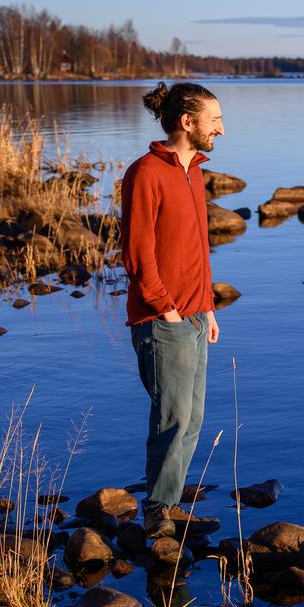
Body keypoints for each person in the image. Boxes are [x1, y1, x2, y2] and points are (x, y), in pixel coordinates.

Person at [121, 82, 225, 538]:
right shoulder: (145, 172)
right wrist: (167, 310)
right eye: (215, 120)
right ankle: (157, 513)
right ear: (188, 122)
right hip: (163, 320)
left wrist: (209, 307)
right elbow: (137, 253)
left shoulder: (194, 172)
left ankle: (171, 503)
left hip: (196, 314)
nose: (221, 129)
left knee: (193, 417)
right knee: (173, 418)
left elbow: (197, 249)